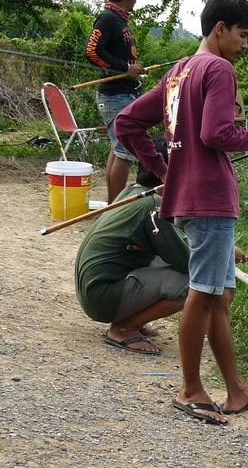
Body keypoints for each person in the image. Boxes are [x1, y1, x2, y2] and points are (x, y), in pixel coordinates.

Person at [115, 0, 248, 425]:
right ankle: (190, 389)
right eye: (243, 35)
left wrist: (165, 168)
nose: (245, 45)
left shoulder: (178, 72)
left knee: (219, 297)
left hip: (189, 196)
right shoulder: (218, 68)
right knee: (204, 292)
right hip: (209, 197)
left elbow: (128, 123)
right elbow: (217, 133)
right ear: (220, 29)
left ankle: (236, 390)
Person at [75, 142, 187, 355]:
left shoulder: (133, 192)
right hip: (102, 298)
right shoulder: (153, 204)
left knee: (168, 261)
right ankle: (124, 328)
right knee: (192, 281)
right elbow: (184, 259)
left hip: (93, 290)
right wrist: (223, 253)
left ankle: (132, 319)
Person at [84, 0, 148, 202]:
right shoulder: (108, 18)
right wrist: (124, 68)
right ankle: (114, 209)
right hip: (115, 96)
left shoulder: (118, 18)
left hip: (124, 93)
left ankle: (112, 206)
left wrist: (132, 67)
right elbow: (91, 51)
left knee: (118, 148)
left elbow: (118, 55)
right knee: (125, 151)